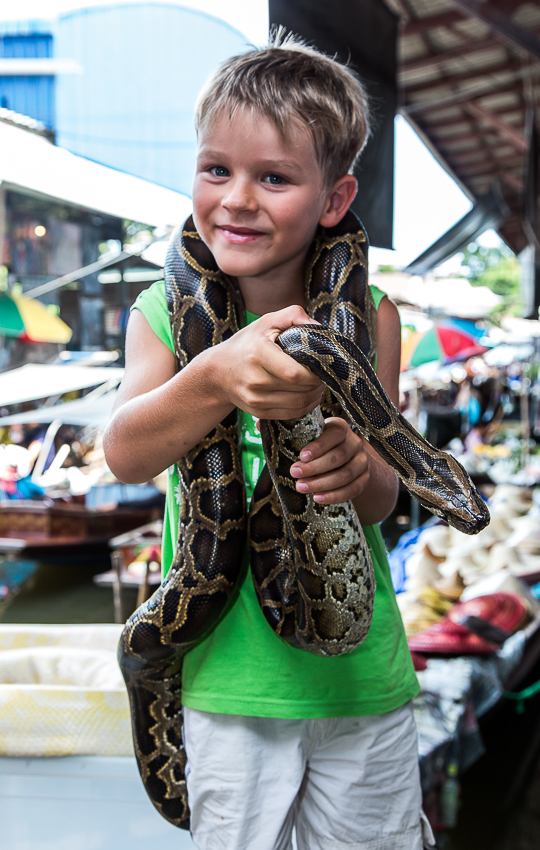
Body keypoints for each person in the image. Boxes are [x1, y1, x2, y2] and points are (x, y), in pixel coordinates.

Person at [103, 34, 434, 850]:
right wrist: (212, 376)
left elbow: (381, 499)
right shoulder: (160, 311)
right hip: (229, 687)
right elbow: (125, 454)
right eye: (216, 170)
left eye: (274, 178)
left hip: (362, 681)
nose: (237, 199)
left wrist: (360, 470)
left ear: (334, 198)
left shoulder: (372, 315)